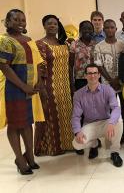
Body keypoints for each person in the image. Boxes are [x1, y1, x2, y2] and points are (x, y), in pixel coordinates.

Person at [0, 9, 44, 174]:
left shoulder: (29, 40)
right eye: (16, 20)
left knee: (27, 123)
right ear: (8, 22)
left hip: (30, 90)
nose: (20, 23)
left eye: (23, 20)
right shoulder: (4, 40)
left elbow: (38, 63)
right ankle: (19, 159)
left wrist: (38, 82)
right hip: (14, 89)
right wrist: (23, 86)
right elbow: (4, 66)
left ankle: (30, 157)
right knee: (15, 124)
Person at [34, 14, 74, 156]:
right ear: (44, 26)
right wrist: (41, 88)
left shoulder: (64, 43)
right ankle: (51, 147)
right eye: (49, 23)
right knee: (50, 116)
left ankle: (68, 143)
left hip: (65, 86)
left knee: (66, 114)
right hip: (49, 86)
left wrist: (72, 85)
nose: (52, 26)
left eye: (55, 24)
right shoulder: (40, 44)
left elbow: (69, 66)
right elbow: (38, 68)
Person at [71, 64, 123, 167]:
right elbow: (76, 116)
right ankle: (94, 144)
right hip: (90, 124)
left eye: (95, 73)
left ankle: (114, 152)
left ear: (99, 75)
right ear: (85, 76)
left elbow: (116, 108)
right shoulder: (78, 94)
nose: (92, 76)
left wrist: (111, 123)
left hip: (106, 123)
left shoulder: (108, 90)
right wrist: (77, 132)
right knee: (77, 144)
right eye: (89, 73)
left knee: (119, 121)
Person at [93, 19, 124, 144]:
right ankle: (111, 136)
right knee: (109, 111)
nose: (109, 30)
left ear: (116, 29)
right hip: (106, 84)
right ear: (104, 30)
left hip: (122, 82)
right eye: (107, 28)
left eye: (112, 27)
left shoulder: (123, 45)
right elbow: (98, 65)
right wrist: (111, 80)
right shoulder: (99, 46)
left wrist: (118, 79)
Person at [69, 21, 97, 155]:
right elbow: (70, 66)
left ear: (93, 30)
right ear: (80, 30)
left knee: (93, 112)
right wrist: (71, 83)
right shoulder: (74, 45)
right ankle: (79, 141)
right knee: (79, 112)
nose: (87, 30)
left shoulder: (96, 44)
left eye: (89, 28)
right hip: (80, 81)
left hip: (95, 81)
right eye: (84, 28)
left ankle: (93, 144)